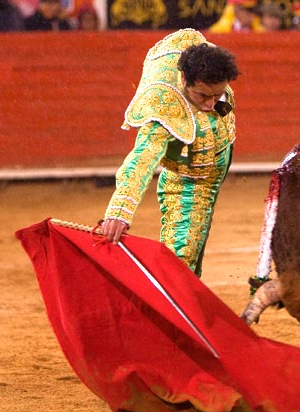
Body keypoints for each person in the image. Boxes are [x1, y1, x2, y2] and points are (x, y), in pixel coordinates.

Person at [101, 29, 240, 278]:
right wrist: (119, 211)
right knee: (180, 261)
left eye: (216, 95)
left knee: (192, 256)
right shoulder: (163, 103)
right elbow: (141, 159)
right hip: (187, 183)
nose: (210, 104)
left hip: (214, 167)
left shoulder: (205, 63)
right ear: (184, 79)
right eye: (203, 95)